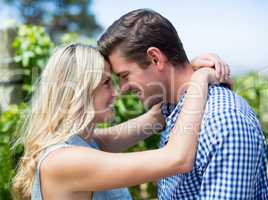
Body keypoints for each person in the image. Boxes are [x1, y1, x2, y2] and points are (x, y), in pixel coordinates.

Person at [12, 43, 229, 200]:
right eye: (107, 82)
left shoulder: (84, 142)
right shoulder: (64, 160)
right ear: (80, 90)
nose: (117, 92)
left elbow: (155, 117)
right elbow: (177, 159)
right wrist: (200, 79)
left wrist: (185, 72)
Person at [98, 9, 268, 199]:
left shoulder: (225, 121)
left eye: (124, 76)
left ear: (155, 58)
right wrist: (197, 78)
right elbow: (101, 143)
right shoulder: (172, 110)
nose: (122, 89)